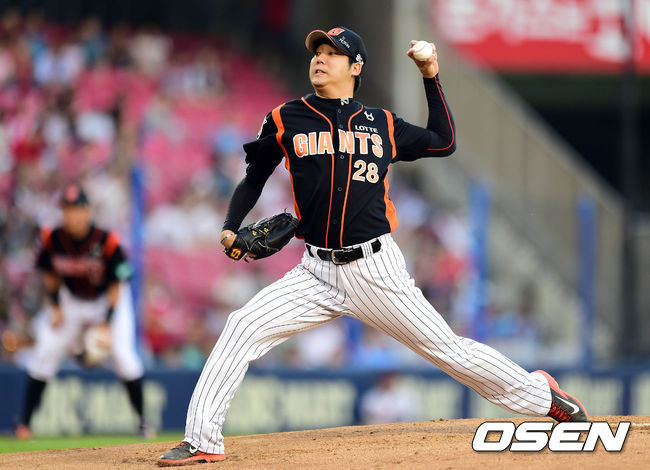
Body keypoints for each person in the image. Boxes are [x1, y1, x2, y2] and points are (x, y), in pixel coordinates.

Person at [159, 26, 587, 466]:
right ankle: (202, 440)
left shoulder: (381, 124)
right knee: (241, 326)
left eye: (332, 53)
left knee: (448, 352)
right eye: (317, 51)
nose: (320, 58)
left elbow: (443, 141)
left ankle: (543, 396)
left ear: (355, 67)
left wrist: (430, 75)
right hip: (315, 272)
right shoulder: (286, 118)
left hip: (375, 270)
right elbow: (254, 178)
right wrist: (230, 227)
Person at [15, 182, 151, 439]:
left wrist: (107, 322)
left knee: (123, 357)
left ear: (87, 211)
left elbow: (118, 282)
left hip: (107, 300)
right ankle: (24, 423)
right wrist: (55, 306)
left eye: (77, 209)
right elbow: (49, 273)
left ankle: (143, 422)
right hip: (72, 301)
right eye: (67, 209)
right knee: (44, 352)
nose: (72, 215)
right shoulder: (52, 239)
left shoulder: (106, 240)